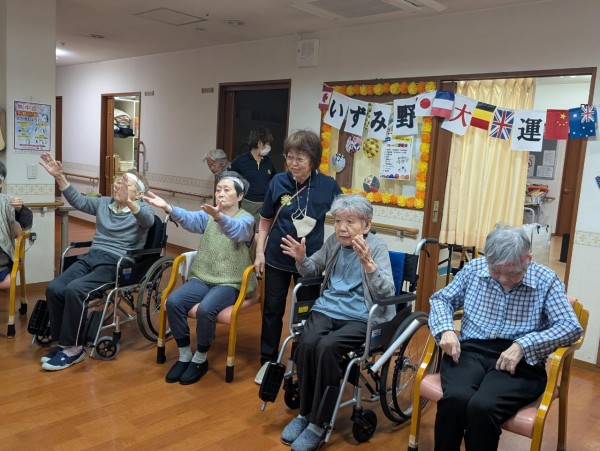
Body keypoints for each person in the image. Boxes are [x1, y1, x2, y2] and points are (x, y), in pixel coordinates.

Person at [428, 224, 583, 451]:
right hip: (470, 351)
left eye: (512, 273)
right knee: (456, 399)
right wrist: (446, 329)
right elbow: (441, 299)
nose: (502, 279)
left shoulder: (546, 280)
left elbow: (571, 327)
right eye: (495, 271)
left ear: (528, 258)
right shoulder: (474, 269)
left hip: (521, 362)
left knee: (483, 407)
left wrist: (524, 344)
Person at [278, 194, 395, 451]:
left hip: (361, 316)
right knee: (306, 343)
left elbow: (387, 293)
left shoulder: (377, 247)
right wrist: (301, 258)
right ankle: (305, 414)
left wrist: (369, 264)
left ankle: (319, 423)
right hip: (327, 309)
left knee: (327, 347)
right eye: (338, 220)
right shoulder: (333, 242)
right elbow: (312, 270)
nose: (342, 227)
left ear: (366, 225)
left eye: (350, 222)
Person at [39, 152, 154, 371]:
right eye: (118, 181)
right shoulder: (104, 203)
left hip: (117, 262)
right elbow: (79, 201)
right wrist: (59, 177)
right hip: (93, 256)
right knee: (55, 288)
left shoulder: (143, 208)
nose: (118, 185)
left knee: (76, 290)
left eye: (125, 184)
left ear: (138, 194)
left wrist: (129, 202)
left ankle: (75, 350)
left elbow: (147, 221)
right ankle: (63, 343)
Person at [143, 170, 256, 385]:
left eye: (226, 190)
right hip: (202, 277)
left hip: (230, 282)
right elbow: (190, 219)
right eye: (218, 189)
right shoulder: (209, 215)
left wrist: (219, 217)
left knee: (206, 309)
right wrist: (168, 207)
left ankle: (200, 358)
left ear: (240, 196)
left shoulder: (246, 219)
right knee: (174, 302)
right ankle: (185, 354)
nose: (220, 194)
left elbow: (236, 231)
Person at [254, 129, 342, 384]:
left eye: (300, 159)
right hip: (276, 258)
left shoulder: (327, 186)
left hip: (310, 263)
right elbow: (265, 220)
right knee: (272, 310)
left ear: (313, 160)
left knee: (306, 312)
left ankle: (300, 359)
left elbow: (346, 216)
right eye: (289, 157)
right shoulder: (277, 182)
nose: (293, 164)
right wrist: (259, 253)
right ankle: (268, 362)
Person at [230, 126, 277, 225]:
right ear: (260, 144)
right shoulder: (240, 161)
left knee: (260, 232)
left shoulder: (268, 162)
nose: (269, 147)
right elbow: (229, 180)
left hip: (264, 206)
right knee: (244, 231)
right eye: (268, 144)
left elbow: (274, 181)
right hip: (246, 205)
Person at [0, 162, 33, 289]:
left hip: (2, 254)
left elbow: (26, 222)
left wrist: (20, 208)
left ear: (1, 183)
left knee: (7, 281)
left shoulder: (7, 200)